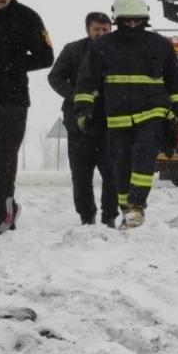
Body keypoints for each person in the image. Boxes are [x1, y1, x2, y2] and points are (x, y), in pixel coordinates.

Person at [74, 0, 178, 230]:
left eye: (137, 20)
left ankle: (137, 205)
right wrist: (83, 110)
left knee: (144, 156)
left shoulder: (160, 44)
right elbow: (87, 80)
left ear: (144, 19)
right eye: (128, 20)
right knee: (121, 165)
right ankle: (127, 210)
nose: (133, 24)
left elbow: (175, 80)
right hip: (118, 117)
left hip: (153, 112)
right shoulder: (103, 46)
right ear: (118, 19)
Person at [0, 0, 54, 236]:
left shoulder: (27, 18)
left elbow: (46, 56)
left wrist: (9, 64)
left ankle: (0, 218)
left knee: (1, 163)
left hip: (11, 102)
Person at [48, 12, 119, 226]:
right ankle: (86, 217)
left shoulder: (119, 51)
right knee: (81, 174)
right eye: (96, 29)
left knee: (113, 173)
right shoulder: (73, 50)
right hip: (78, 122)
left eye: (105, 29)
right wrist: (76, 96)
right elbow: (55, 77)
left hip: (110, 122)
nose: (101, 33)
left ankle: (110, 216)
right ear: (87, 29)